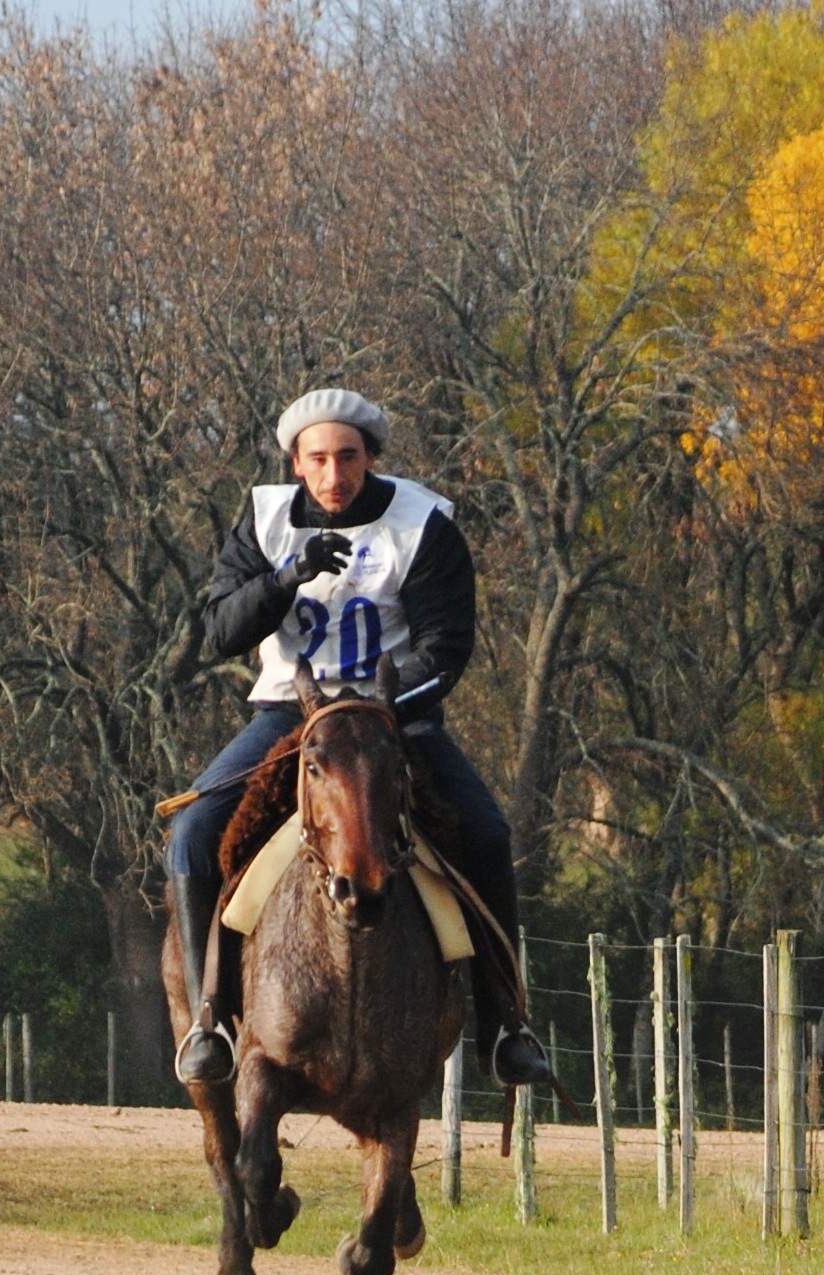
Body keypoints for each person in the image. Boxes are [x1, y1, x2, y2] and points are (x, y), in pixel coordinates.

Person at [168, 387, 553, 1090]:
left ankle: (507, 1024)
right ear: (295, 462)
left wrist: (379, 709)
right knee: (192, 834)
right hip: (289, 717)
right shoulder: (263, 521)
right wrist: (286, 578)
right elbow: (222, 631)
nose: (333, 474)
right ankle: (210, 1020)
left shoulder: (423, 523)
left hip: (393, 719)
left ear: (371, 456)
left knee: (486, 832)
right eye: (317, 459)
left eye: (348, 457)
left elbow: (445, 647)